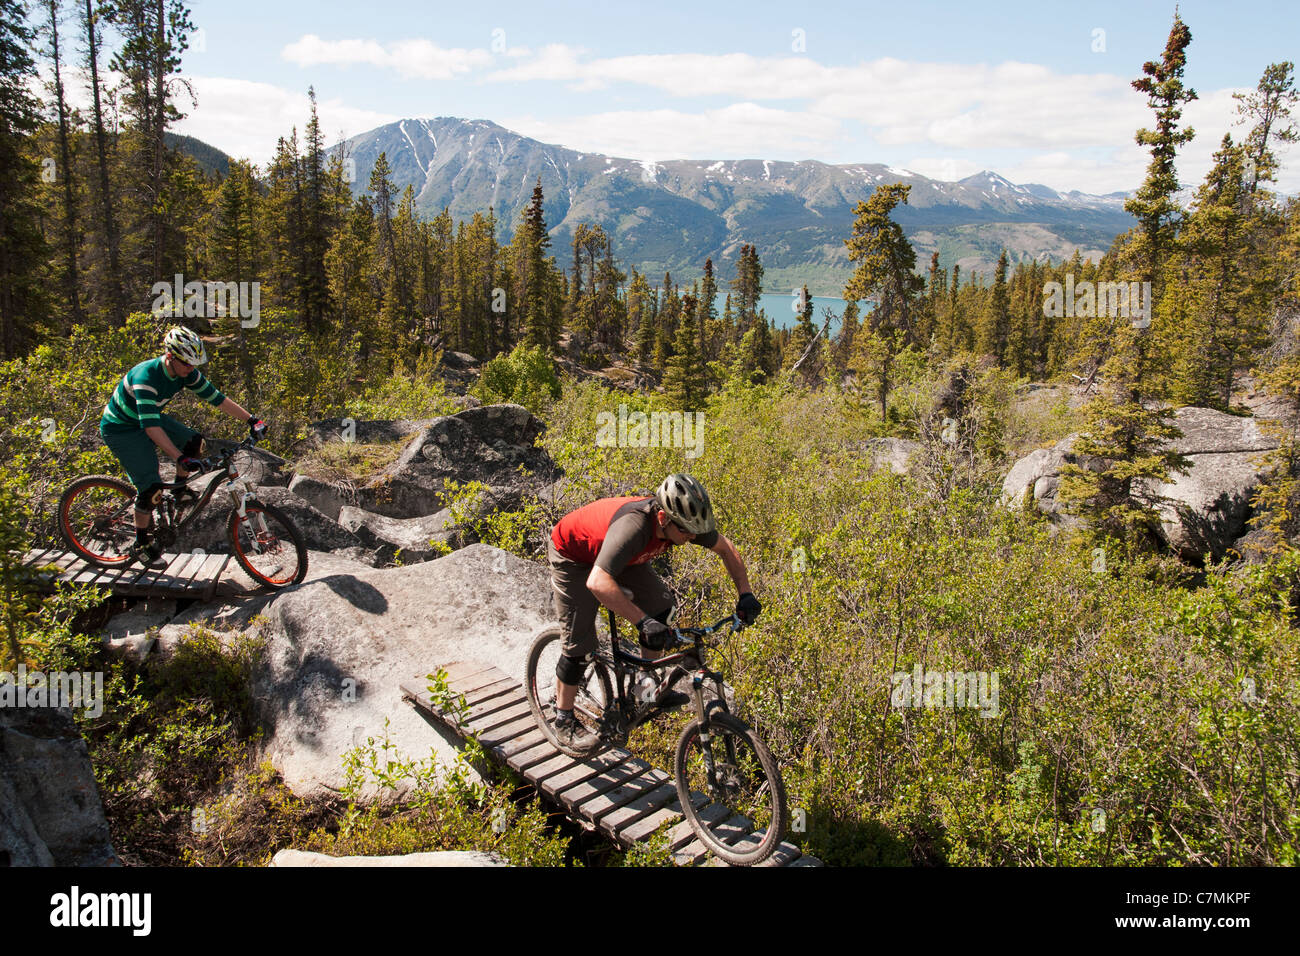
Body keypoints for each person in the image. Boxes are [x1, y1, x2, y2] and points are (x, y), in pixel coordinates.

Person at [547, 472, 761, 748]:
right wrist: (642, 622)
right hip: (574, 556)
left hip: (619, 557)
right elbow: (597, 581)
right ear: (662, 518)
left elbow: (725, 548)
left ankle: (644, 687)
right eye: (685, 531)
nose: (692, 536)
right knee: (579, 646)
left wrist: (746, 594)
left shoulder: (684, 522)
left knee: (661, 607)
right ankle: (563, 718)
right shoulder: (635, 527)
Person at [99, 326, 266, 567]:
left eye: (194, 364)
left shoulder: (186, 372)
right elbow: (150, 429)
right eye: (187, 363)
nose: (191, 369)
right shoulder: (146, 378)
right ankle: (140, 544)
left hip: (147, 418)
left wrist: (252, 420)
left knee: (194, 442)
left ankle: (179, 491)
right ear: (170, 357)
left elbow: (216, 398)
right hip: (122, 429)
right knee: (150, 488)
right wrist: (179, 458)